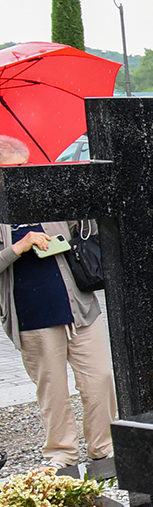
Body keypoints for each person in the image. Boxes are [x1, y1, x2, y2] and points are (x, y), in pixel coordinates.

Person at [0, 135, 118, 467]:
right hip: (31, 312)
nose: (20, 175)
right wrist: (17, 247)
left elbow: (78, 232)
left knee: (99, 377)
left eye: (23, 167)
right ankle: (61, 453)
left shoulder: (45, 195)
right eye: (8, 170)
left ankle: (104, 446)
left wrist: (82, 211)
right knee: (52, 389)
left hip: (77, 306)